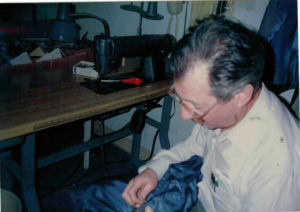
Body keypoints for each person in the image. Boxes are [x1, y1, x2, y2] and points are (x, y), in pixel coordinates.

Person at [122, 15, 300, 211]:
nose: (184, 115)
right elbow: (193, 147)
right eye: (179, 98)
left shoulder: (276, 168)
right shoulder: (227, 110)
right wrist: (153, 171)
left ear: (241, 96)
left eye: (196, 107)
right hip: (199, 193)